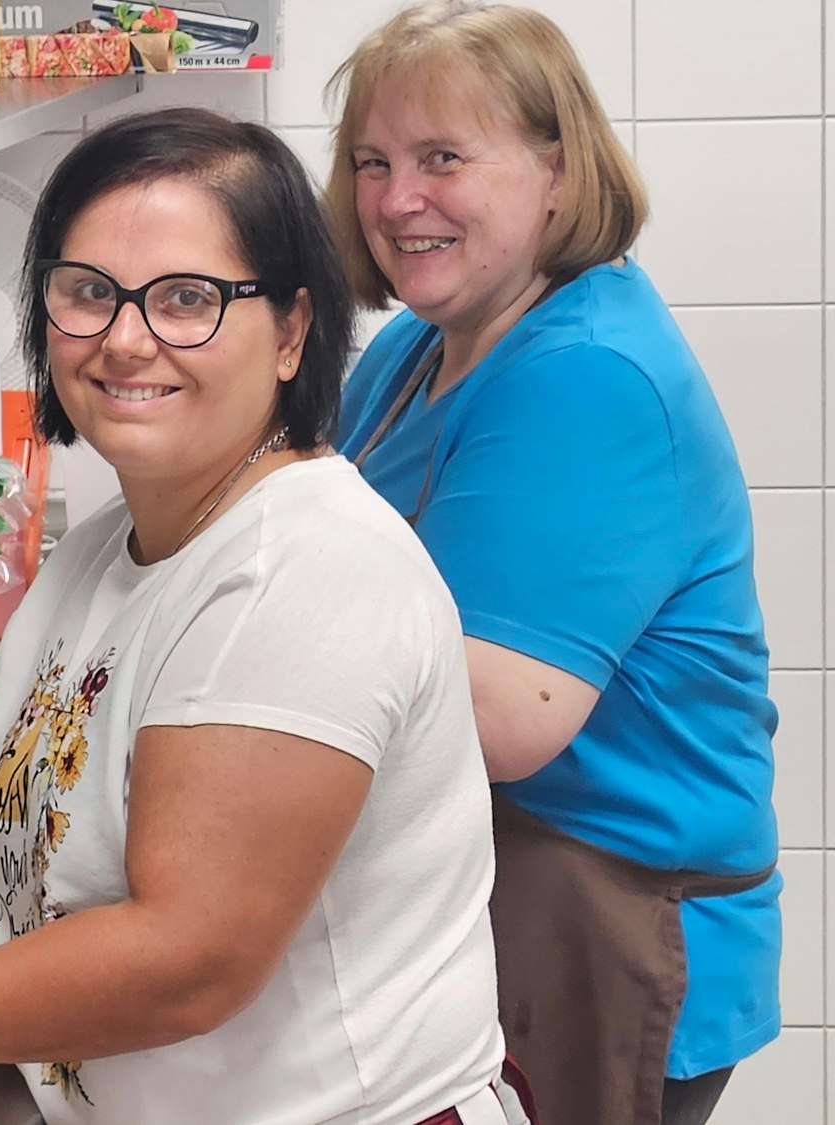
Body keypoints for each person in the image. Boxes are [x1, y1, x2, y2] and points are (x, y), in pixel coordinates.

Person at [0, 108, 532, 1125]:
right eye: (87, 292)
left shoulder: (303, 570)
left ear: (292, 331)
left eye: (186, 300)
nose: (125, 339)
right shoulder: (100, 556)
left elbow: (183, 960)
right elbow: (30, 886)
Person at [326, 5, 781, 1124]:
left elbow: (502, 719)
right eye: (373, 163)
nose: (397, 200)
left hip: (597, 908)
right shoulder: (419, 347)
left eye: (442, 158)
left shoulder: (587, 378)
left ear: (558, 173)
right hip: (479, 879)